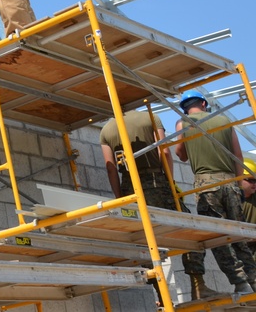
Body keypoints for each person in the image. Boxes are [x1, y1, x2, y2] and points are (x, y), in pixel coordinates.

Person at [99, 109, 215, 301]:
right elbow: (165, 151)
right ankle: (197, 285)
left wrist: (121, 199)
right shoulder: (150, 117)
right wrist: (169, 182)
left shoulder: (106, 130)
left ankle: (161, 296)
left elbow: (111, 168)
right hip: (156, 182)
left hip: (129, 188)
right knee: (190, 229)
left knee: (146, 243)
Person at [175, 90, 256, 294]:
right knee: (239, 235)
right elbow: (237, 155)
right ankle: (253, 281)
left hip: (206, 185)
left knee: (219, 238)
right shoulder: (223, 120)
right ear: (203, 103)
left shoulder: (182, 123)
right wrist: (237, 185)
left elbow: (180, 154)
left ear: (184, 107)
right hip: (230, 182)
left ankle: (240, 283)